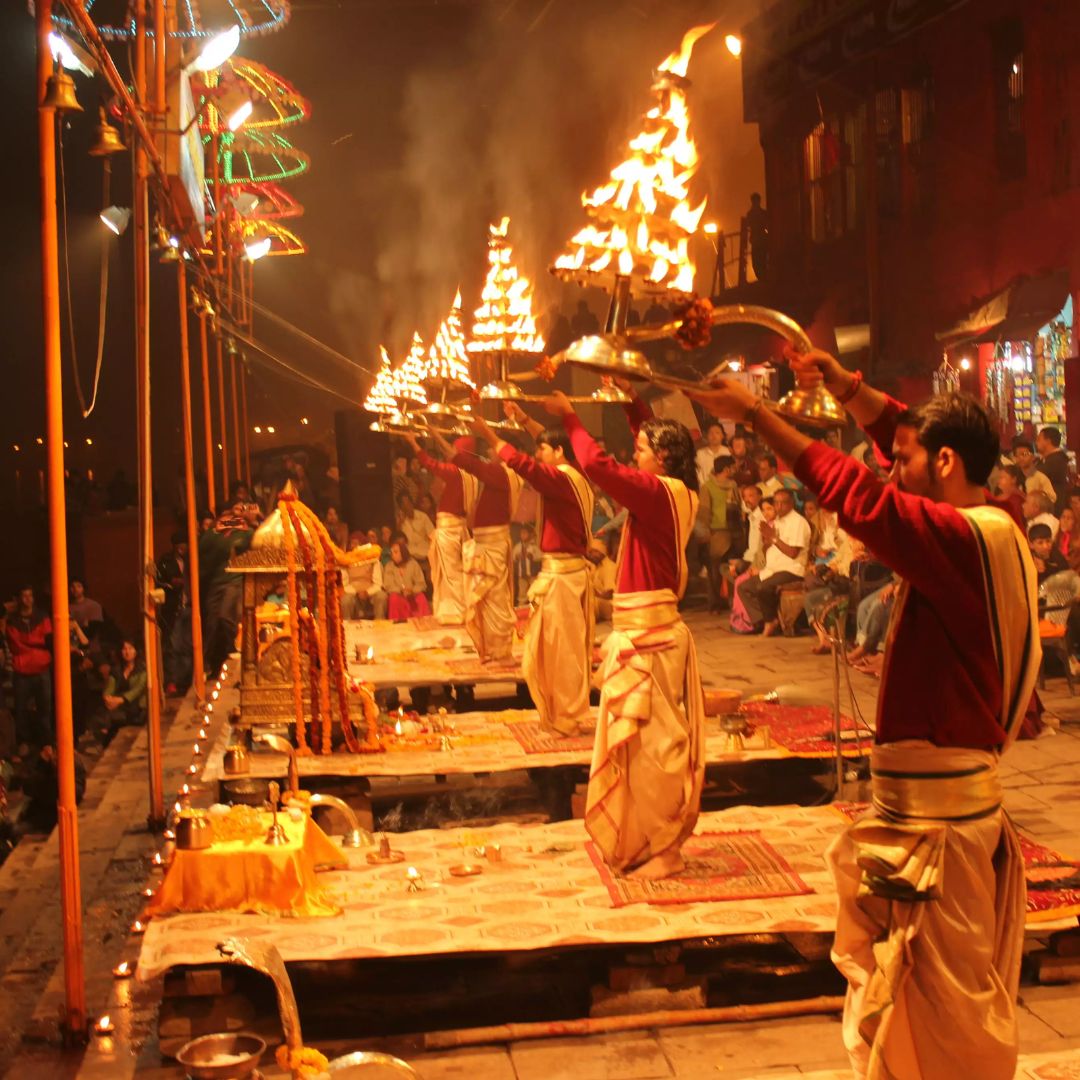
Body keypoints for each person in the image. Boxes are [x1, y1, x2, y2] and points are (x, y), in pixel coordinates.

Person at [688, 348, 1040, 1080]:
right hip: (930, 817)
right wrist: (848, 388)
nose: (890, 465)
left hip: (943, 831)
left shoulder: (962, 538)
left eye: (903, 459)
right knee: (913, 1008)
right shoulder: (986, 519)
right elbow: (906, 440)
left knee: (944, 1020)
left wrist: (758, 415)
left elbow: (863, 498)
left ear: (945, 463)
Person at [546, 385, 703, 881]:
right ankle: (646, 839)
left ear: (663, 459)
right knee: (636, 749)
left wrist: (573, 416)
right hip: (642, 633)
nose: (636, 455)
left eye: (642, 451)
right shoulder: (670, 488)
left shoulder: (658, 495)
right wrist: (626, 396)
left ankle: (668, 848)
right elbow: (644, 435)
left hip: (651, 640)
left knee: (654, 751)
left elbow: (599, 466)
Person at [478, 400, 594, 737]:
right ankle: (559, 714)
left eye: (544, 449)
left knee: (559, 652)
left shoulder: (561, 478)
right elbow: (541, 449)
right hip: (561, 576)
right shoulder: (574, 472)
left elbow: (525, 465)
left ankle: (565, 717)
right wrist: (523, 418)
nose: (539, 454)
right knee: (547, 650)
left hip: (564, 579)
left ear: (558, 452)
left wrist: (489, 435)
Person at [421, 429, 521, 662]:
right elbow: (468, 463)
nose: (489, 452)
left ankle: (497, 649)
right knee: (486, 598)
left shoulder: (501, 474)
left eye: (494, 448)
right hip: (485, 542)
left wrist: (478, 428)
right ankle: (491, 648)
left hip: (490, 545)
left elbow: (468, 464)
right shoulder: (502, 473)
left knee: (493, 598)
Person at [403, 441, 476, 626]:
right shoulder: (472, 475)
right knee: (454, 573)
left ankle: (457, 612)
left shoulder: (456, 472)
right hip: (458, 529)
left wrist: (413, 443)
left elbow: (430, 463)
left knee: (451, 574)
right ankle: (456, 611)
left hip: (450, 531)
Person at [734, 488, 810, 635]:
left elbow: (793, 553)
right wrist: (766, 540)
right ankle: (766, 619)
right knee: (744, 587)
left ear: (792, 503)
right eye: (776, 503)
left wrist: (773, 538)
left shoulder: (798, 522)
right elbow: (769, 548)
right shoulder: (777, 521)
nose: (779, 507)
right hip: (772, 568)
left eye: (783, 503)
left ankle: (770, 621)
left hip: (791, 569)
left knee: (763, 587)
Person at [6, 587, 52, 749]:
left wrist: (27, 643)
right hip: (21, 670)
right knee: (21, 710)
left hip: (42, 668)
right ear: (19, 598)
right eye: (24, 595)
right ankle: (23, 743)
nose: (27, 599)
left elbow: (49, 640)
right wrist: (35, 642)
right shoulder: (11, 620)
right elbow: (15, 644)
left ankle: (46, 743)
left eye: (30, 595)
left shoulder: (42, 617)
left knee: (45, 709)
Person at [697, 454, 739, 611]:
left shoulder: (733, 485)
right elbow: (704, 512)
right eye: (733, 467)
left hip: (732, 532)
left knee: (730, 569)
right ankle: (714, 603)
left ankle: (730, 601)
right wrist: (705, 532)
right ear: (727, 469)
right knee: (714, 570)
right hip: (715, 533)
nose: (735, 470)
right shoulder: (707, 487)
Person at [93, 637, 147, 743]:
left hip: (136, 706)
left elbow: (138, 690)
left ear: (136, 651)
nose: (127, 652)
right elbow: (109, 687)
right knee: (102, 710)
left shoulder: (142, 668)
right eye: (124, 649)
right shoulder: (117, 669)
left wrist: (121, 700)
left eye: (130, 648)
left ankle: (105, 729)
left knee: (110, 718)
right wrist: (107, 698)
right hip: (118, 705)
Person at [396, 493, 437, 591]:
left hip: (426, 555)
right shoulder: (401, 521)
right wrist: (399, 523)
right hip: (411, 557)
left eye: (408, 503)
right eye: (403, 504)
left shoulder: (422, 517)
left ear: (412, 503)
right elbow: (397, 540)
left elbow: (433, 536)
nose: (407, 506)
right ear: (400, 507)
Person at [341, 536, 388, 619]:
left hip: (371, 591)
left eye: (356, 543)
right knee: (346, 600)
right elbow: (345, 584)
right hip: (353, 592)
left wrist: (367, 592)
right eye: (352, 543)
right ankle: (347, 628)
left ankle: (380, 623)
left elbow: (378, 583)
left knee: (382, 596)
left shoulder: (373, 560)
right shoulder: (346, 561)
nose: (354, 546)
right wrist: (356, 592)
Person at [383, 540, 431, 621]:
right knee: (393, 598)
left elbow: (421, 583)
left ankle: (424, 622)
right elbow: (388, 585)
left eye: (395, 552)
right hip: (398, 595)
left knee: (421, 597)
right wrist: (401, 590)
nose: (393, 555)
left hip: (412, 594)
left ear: (403, 553)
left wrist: (412, 590)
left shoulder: (413, 564)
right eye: (392, 553)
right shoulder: (389, 566)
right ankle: (396, 624)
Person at [1011, 437, 1056, 504]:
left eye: (1024, 454)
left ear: (1033, 457)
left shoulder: (1040, 478)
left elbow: (1052, 499)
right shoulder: (1014, 476)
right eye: (1017, 455)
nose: (1020, 458)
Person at [1036, 426, 1069, 512]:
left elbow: (1035, 475)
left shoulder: (1057, 460)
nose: (1036, 442)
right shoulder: (1047, 459)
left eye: (1039, 439)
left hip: (1053, 508)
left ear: (1048, 441)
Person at [587, 537, 617, 622]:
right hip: (600, 602)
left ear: (602, 552)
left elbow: (610, 593)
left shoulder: (609, 567)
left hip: (609, 606)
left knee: (587, 602)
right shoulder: (594, 566)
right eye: (590, 552)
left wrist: (591, 593)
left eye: (593, 551)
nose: (590, 554)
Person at [511, 524, 541, 605]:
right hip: (522, 575)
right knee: (522, 594)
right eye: (521, 533)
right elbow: (513, 558)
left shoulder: (534, 547)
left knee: (534, 592)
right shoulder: (517, 547)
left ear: (530, 534)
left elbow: (539, 558)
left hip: (532, 575)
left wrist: (532, 557)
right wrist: (517, 557)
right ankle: (521, 608)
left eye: (525, 533)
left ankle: (535, 609)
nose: (523, 535)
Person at [695, 422, 729, 487]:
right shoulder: (700, 454)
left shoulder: (728, 453)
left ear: (722, 436)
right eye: (711, 433)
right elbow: (697, 473)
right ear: (707, 435)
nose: (714, 436)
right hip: (706, 489)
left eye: (717, 433)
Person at [745, 191, 769, 280]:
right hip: (759, 239)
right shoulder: (761, 213)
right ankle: (762, 277)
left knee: (760, 260)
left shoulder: (751, 214)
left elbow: (747, 225)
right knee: (758, 260)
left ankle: (762, 277)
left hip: (759, 239)